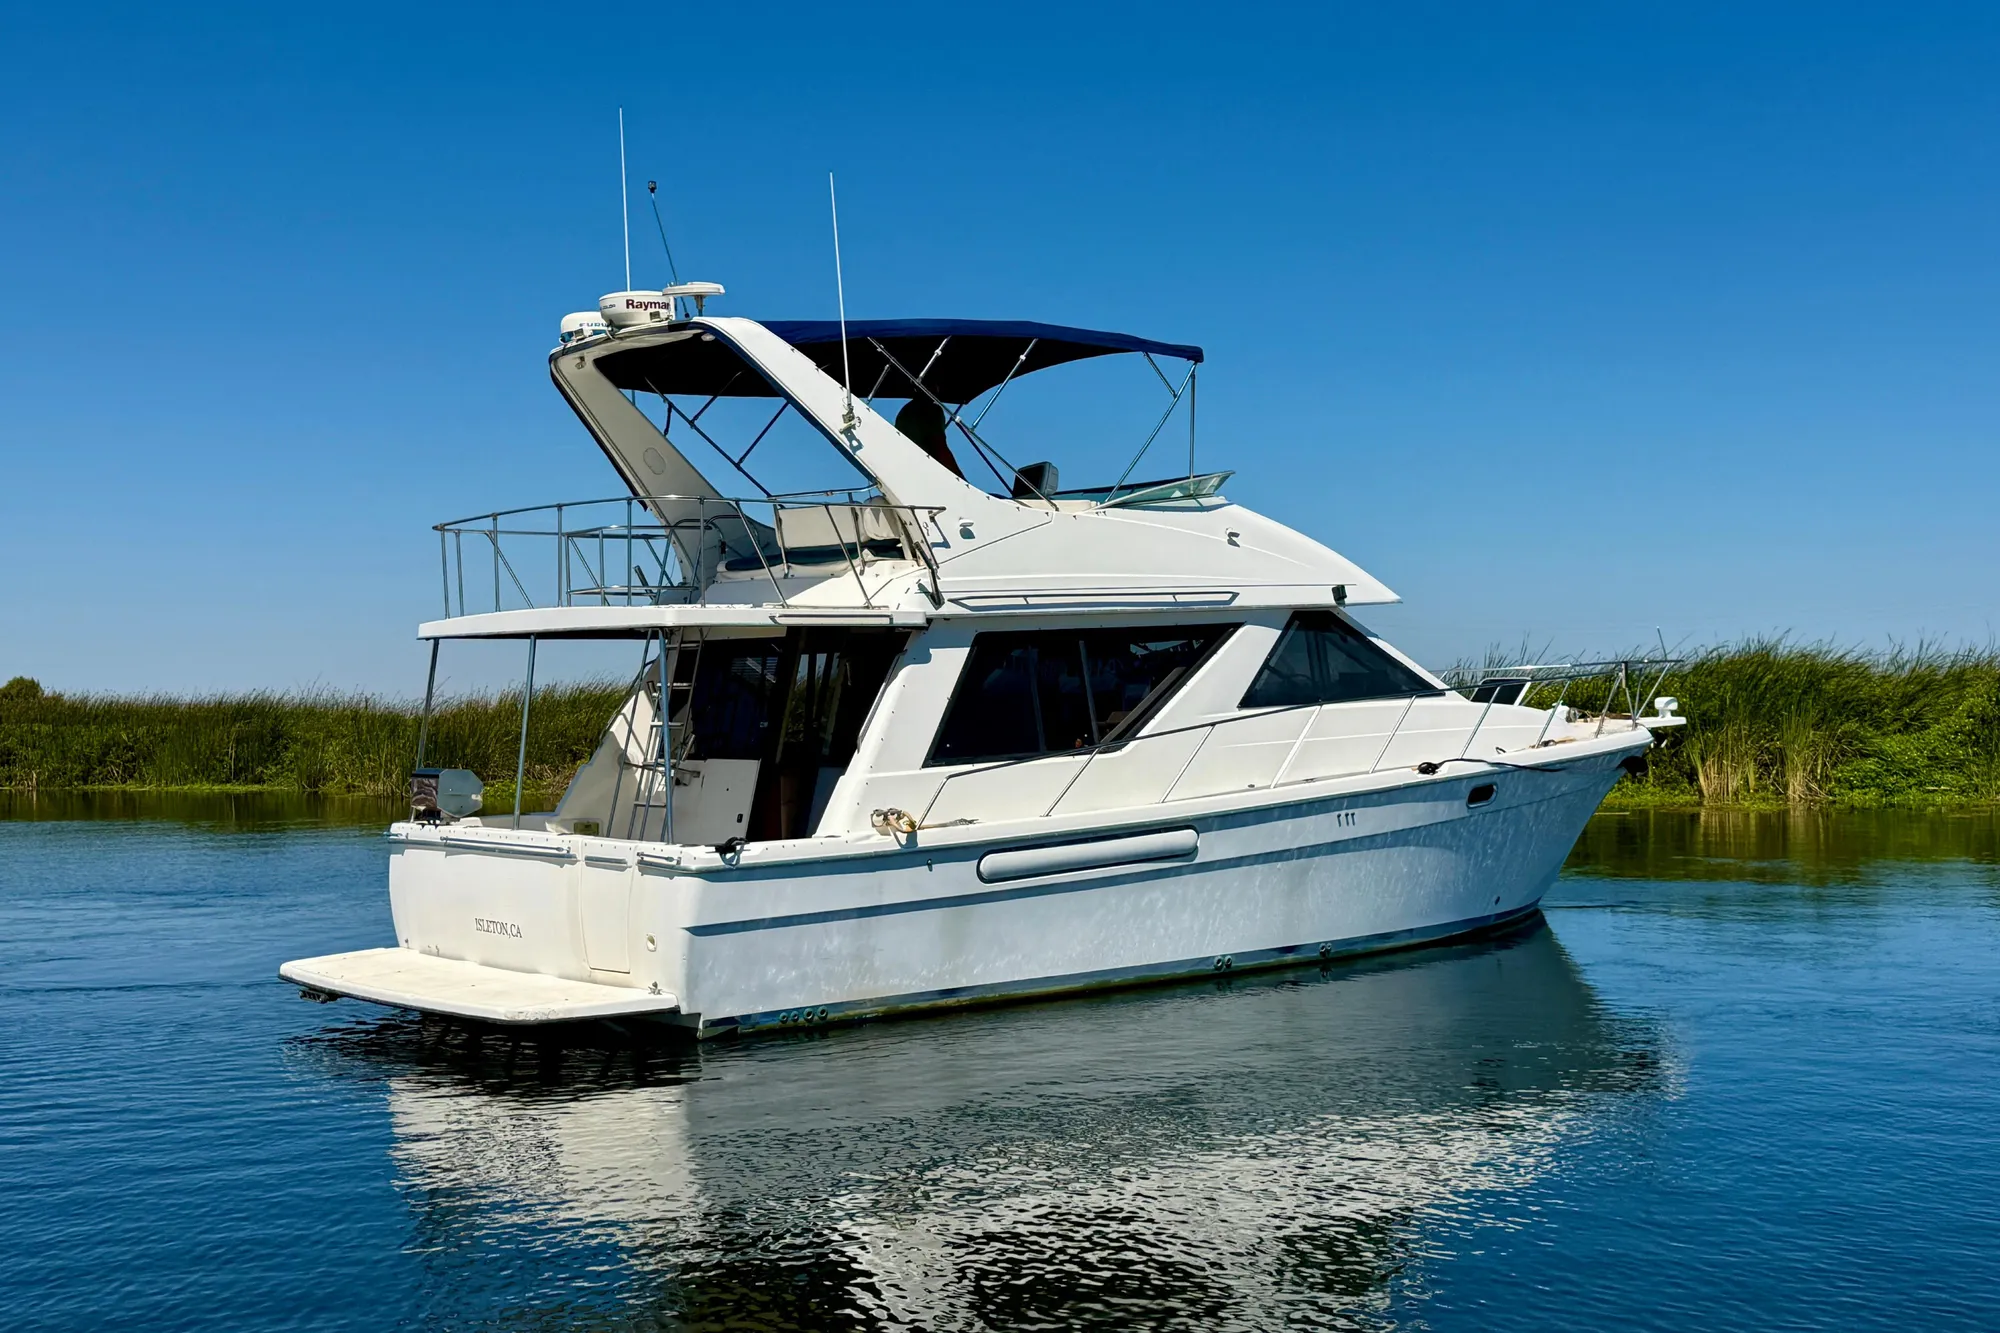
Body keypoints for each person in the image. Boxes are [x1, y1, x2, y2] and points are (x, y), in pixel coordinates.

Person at [893, 398, 965, 479]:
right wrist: (961, 478)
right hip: (927, 471)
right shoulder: (932, 409)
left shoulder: (905, 411)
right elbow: (939, 447)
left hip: (905, 469)